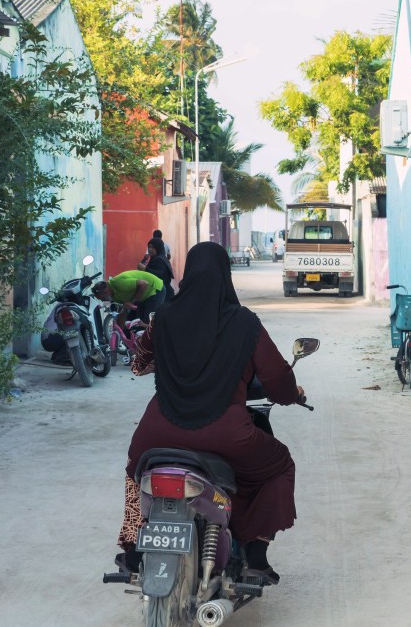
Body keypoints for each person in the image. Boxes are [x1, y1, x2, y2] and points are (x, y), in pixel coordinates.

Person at [115, 242, 304, 581]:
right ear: (225, 276)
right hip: (228, 434)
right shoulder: (245, 324)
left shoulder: (165, 318)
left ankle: (133, 549)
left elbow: (139, 364)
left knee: (136, 473)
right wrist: (291, 395)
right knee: (278, 466)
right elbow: (276, 377)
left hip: (157, 430)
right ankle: (256, 555)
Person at [92, 269, 166, 331]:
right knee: (137, 324)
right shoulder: (113, 296)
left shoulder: (119, 283)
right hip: (143, 297)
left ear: (105, 291)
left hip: (155, 289)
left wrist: (132, 302)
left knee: (147, 324)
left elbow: (144, 284)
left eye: (101, 298)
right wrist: (118, 332)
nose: (102, 301)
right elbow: (123, 311)